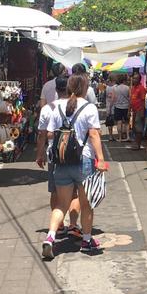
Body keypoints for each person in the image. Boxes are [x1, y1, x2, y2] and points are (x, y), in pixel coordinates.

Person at [42, 74, 108, 259]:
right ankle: (86, 241)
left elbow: (49, 134)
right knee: (86, 204)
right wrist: (101, 159)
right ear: (85, 89)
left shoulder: (57, 107)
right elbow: (93, 134)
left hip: (62, 161)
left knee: (61, 204)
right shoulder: (89, 108)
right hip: (84, 161)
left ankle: (50, 237)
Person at [36, 76, 81, 237]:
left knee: (55, 191)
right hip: (75, 155)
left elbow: (43, 134)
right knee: (75, 192)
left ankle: (59, 226)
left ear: (56, 89)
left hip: (55, 155)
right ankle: (73, 224)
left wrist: (39, 154)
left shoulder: (48, 109)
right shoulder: (78, 106)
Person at [128, 72, 146, 150]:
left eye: (136, 78)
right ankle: (136, 143)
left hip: (139, 111)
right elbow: (131, 100)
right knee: (134, 128)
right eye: (133, 78)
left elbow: (143, 100)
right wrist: (129, 111)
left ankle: (138, 145)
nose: (134, 80)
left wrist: (142, 112)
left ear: (139, 80)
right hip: (134, 111)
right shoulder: (133, 88)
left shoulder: (141, 88)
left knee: (138, 128)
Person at [112, 75, 131, 142]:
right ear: (124, 80)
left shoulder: (115, 88)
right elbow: (130, 98)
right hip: (126, 107)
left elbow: (113, 98)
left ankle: (120, 138)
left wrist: (112, 105)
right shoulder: (127, 88)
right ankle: (128, 136)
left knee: (119, 122)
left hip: (117, 107)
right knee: (127, 123)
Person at [105, 75, 116, 141]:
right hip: (113, 106)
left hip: (108, 105)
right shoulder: (115, 87)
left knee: (109, 121)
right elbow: (113, 98)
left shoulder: (107, 87)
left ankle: (110, 135)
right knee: (112, 121)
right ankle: (111, 136)